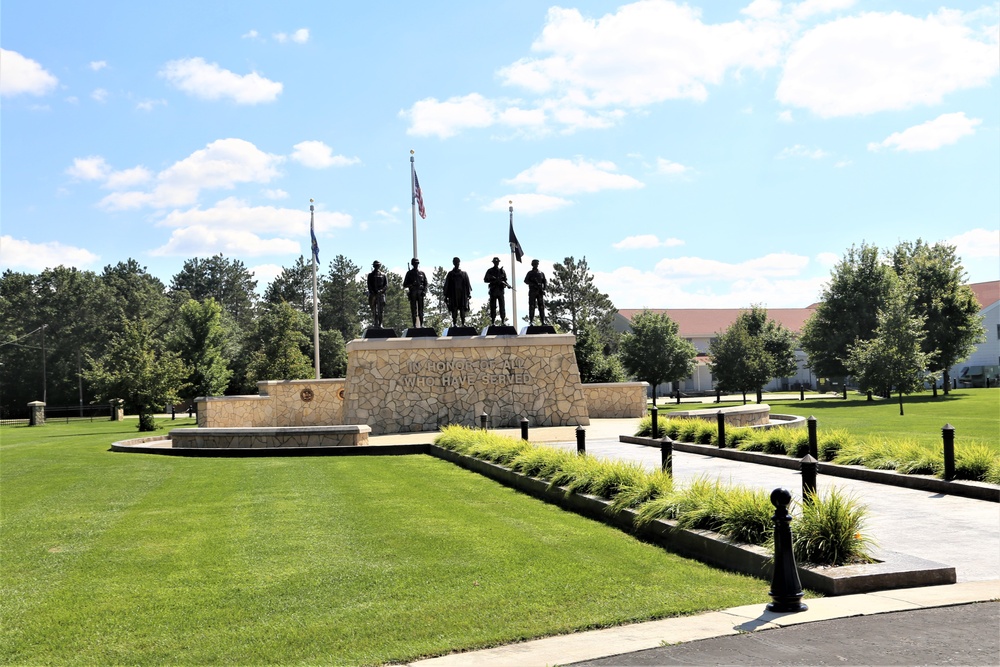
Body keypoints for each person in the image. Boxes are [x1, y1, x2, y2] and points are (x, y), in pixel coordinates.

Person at [443, 257, 472, 327]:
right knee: (454, 309)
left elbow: (468, 284)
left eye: (458, 262)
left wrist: (468, 294)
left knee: (462, 309)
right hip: (453, 295)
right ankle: (454, 323)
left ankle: (463, 323)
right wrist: (446, 296)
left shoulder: (464, 274)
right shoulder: (450, 274)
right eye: (455, 262)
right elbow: (447, 285)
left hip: (462, 294)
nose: (457, 264)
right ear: (453, 263)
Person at [483, 256, 510, 325]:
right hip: (493, 290)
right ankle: (493, 321)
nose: (496, 263)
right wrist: (493, 280)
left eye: (497, 262)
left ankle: (503, 321)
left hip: (500, 291)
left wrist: (507, 285)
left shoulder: (502, 271)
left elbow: (505, 280)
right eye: (495, 262)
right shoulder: (490, 271)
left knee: (502, 306)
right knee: (493, 307)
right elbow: (485, 280)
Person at [402, 258, 428, 328]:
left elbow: (426, 283)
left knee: (421, 310)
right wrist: (411, 285)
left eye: (417, 263)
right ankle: (414, 325)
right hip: (413, 292)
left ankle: (422, 324)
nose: (416, 265)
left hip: (420, 292)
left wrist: (424, 291)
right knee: (413, 310)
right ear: (412, 264)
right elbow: (404, 284)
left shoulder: (422, 273)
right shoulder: (409, 273)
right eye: (414, 263)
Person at [523, 258, 547, 325]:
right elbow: (526, 281)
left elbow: (544, 282)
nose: (535, 265)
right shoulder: (530, 273)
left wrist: (543, 289)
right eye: (534, 264)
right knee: (532, 306)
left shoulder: (541, 273)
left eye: (536, 264)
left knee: (541, 307)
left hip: (540, 292)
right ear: (532, 265)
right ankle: (531, 321)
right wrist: (533, 284)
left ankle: (543, 321)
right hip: (532, 292)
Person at [366, 260, 387, 329]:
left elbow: (386, 285)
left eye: (378, 265)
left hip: (381, 294)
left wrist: (381, 291)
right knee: (374, 310)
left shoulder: (383, 275)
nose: (377, 266)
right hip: (373, 295)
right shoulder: (370, 275)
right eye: (375, 265)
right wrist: (373, 292)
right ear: (373, 266)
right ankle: (375, 323)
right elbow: (369, 285)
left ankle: (380, 323)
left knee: (381, 310)